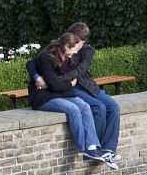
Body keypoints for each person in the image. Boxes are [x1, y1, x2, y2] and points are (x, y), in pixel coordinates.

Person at [29, 22, 120, 167]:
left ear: (83, 41)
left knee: (113, 107)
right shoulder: (60, 47)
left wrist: (59, 80)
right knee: (97, 107)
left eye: (78, 41)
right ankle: (92, 148)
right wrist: (38, 77)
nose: (75, 51)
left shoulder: (86, 51)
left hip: (84, 85)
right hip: (68, 88)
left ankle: (107, 149)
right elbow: (32, 63)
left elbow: (79, 70)